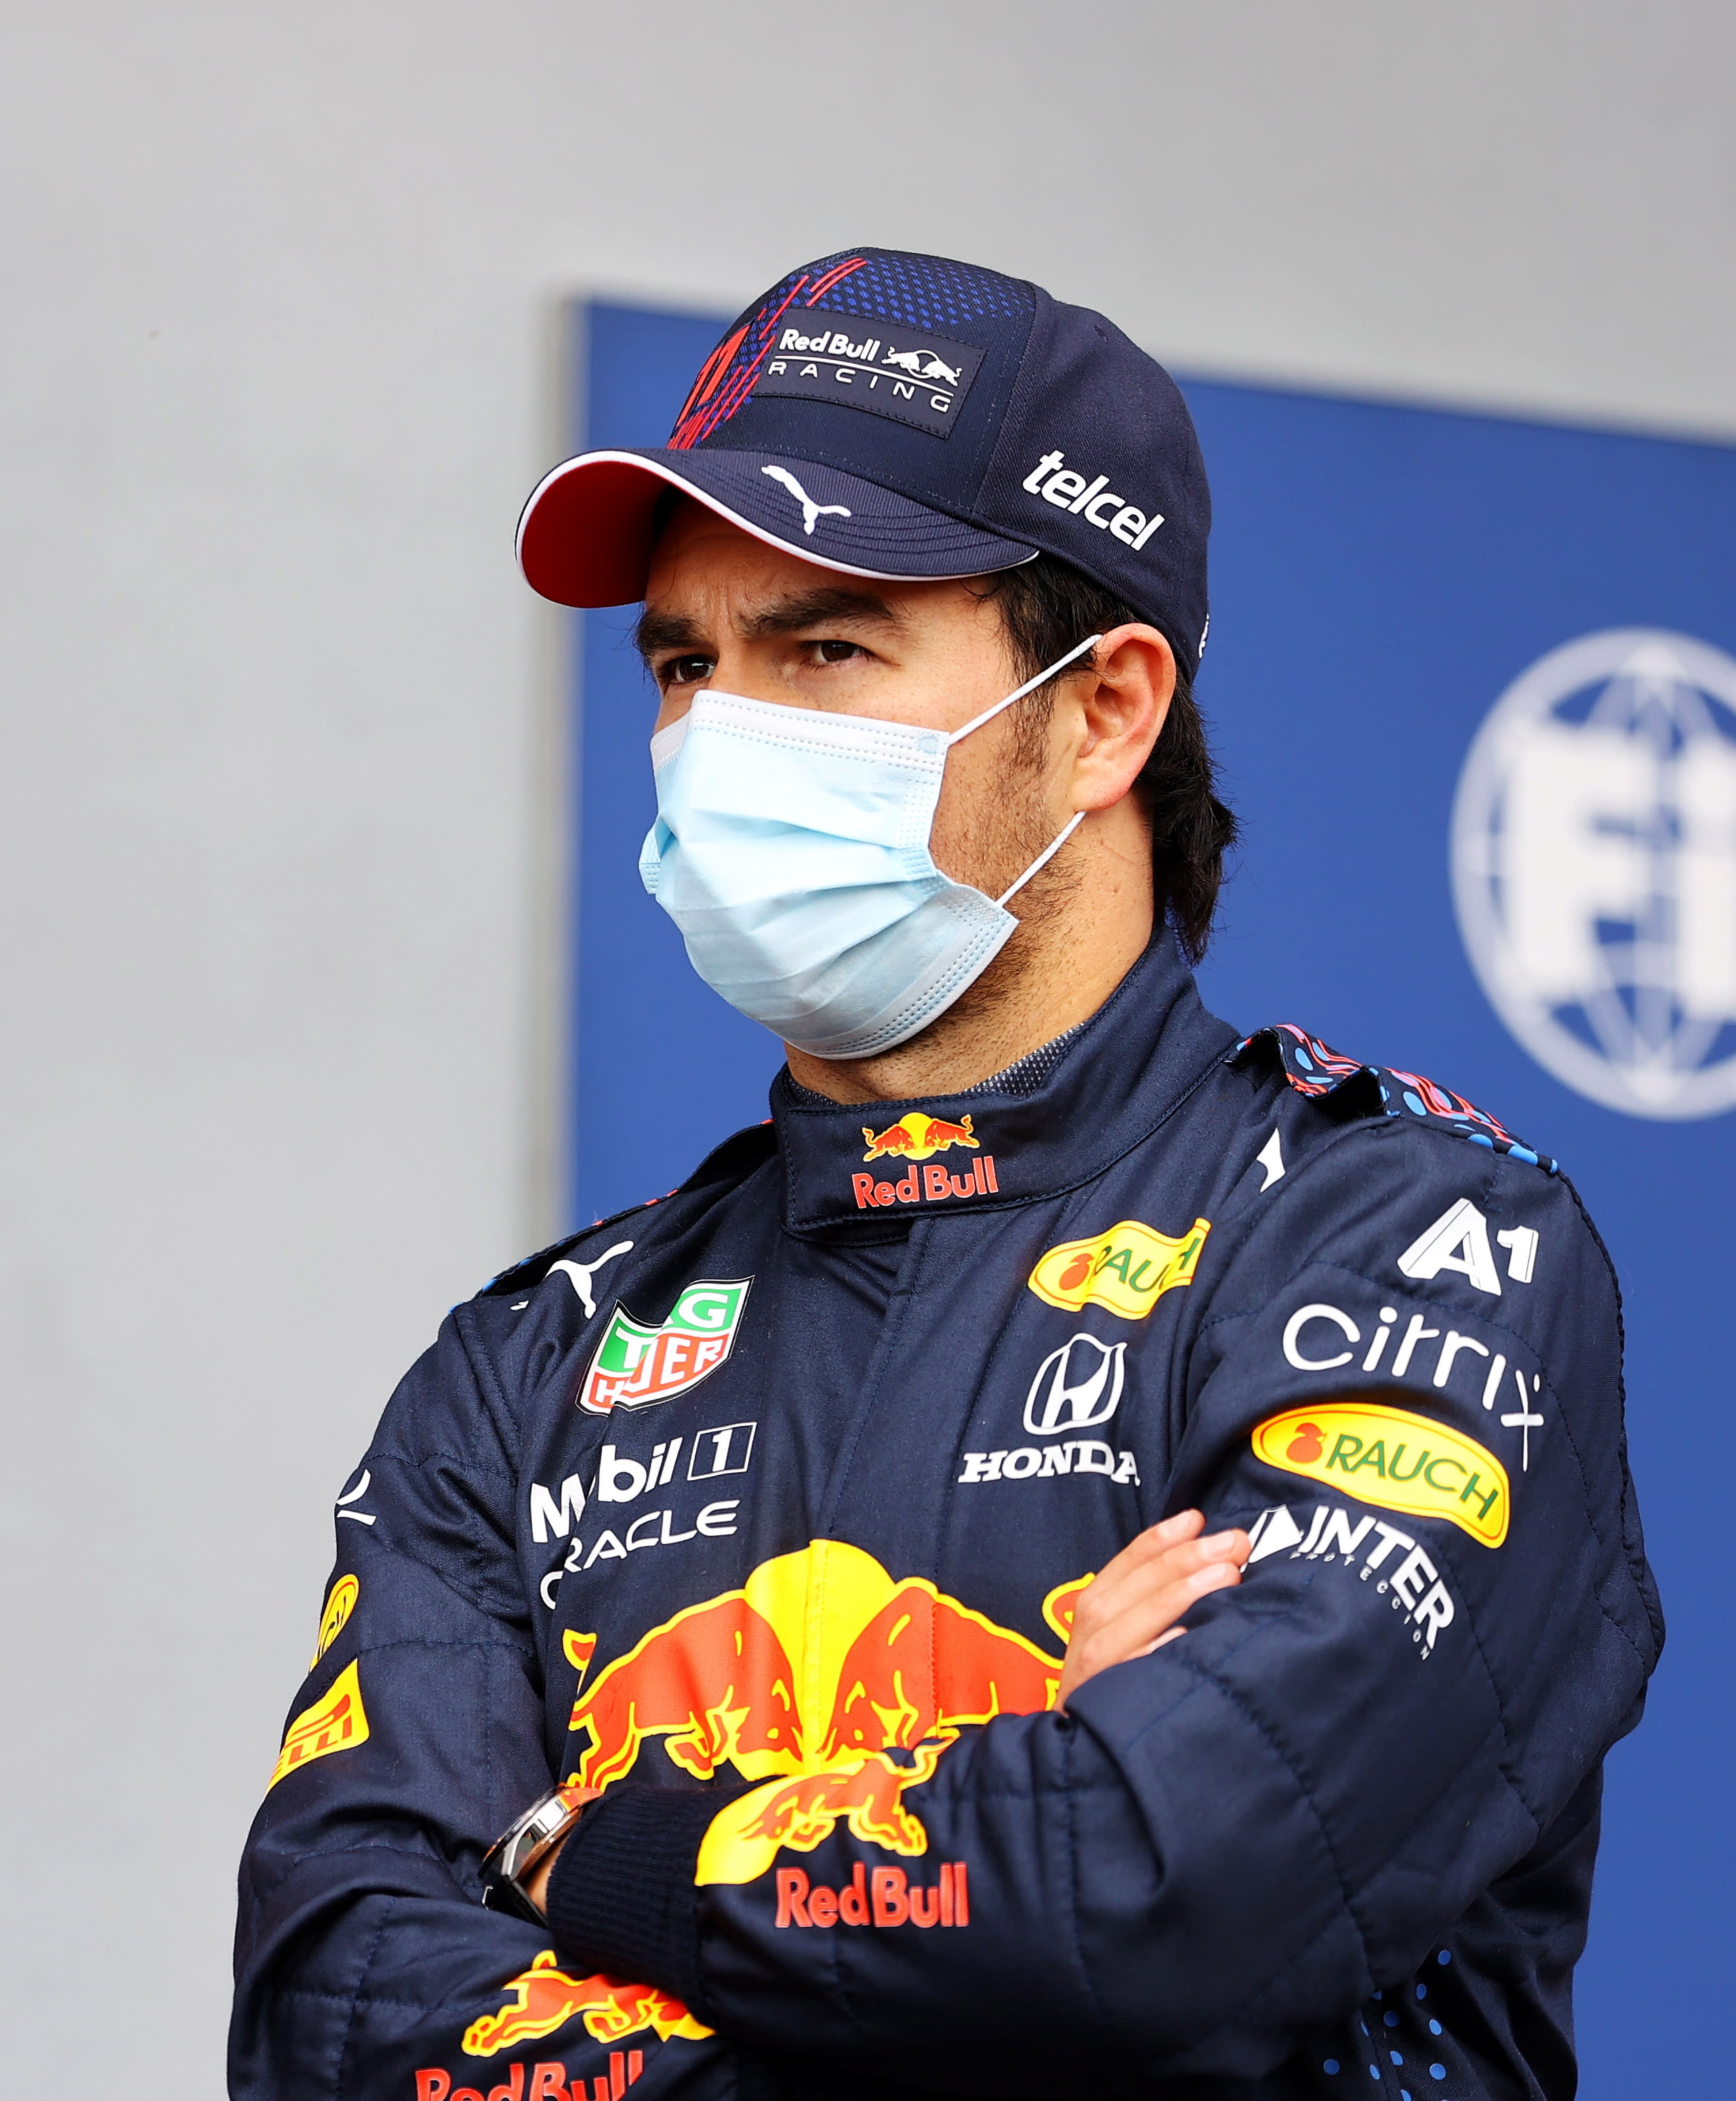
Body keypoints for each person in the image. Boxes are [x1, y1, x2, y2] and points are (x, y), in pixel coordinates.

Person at [229, 249, 1659, 2100]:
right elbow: (340, 2005)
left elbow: (1153, 1891)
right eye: (684, 664)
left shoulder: (1407, 1243)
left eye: (824, 649)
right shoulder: (528, 1369)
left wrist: (590, 1857)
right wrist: (1002, 1847)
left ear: (1106, 709)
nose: (718, 735)